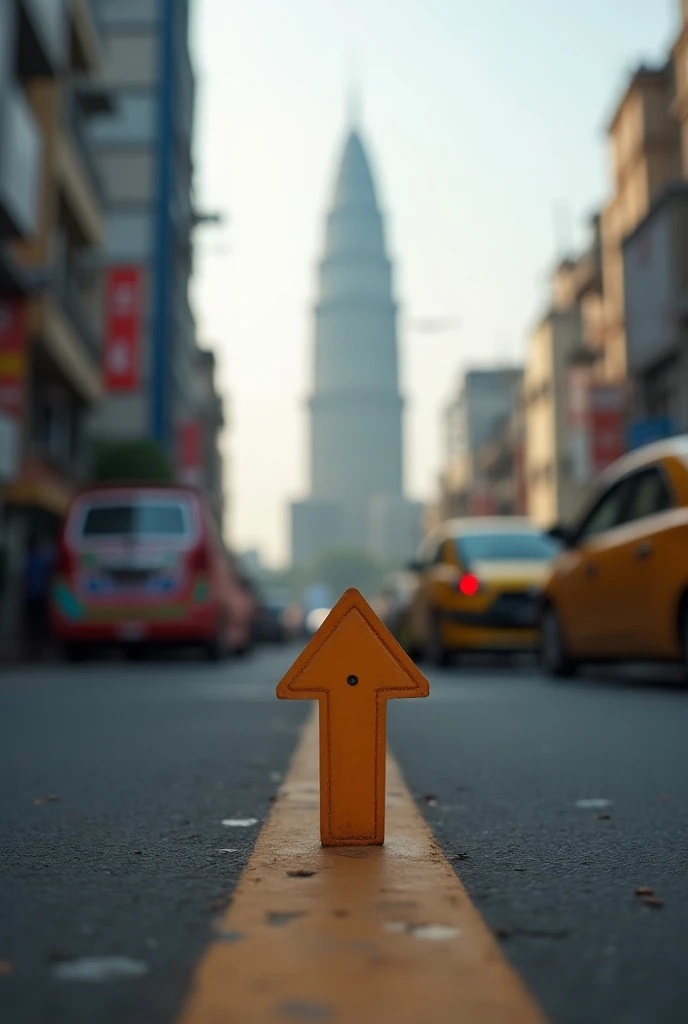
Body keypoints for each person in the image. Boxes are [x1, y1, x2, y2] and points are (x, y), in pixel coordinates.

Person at [23, 532, 55, 661]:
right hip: (38, 596)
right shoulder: (39, 559)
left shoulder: (33, 559)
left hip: (36, 596)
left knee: (36, 625)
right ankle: (37, 651)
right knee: (38, 625)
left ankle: (36, 651)